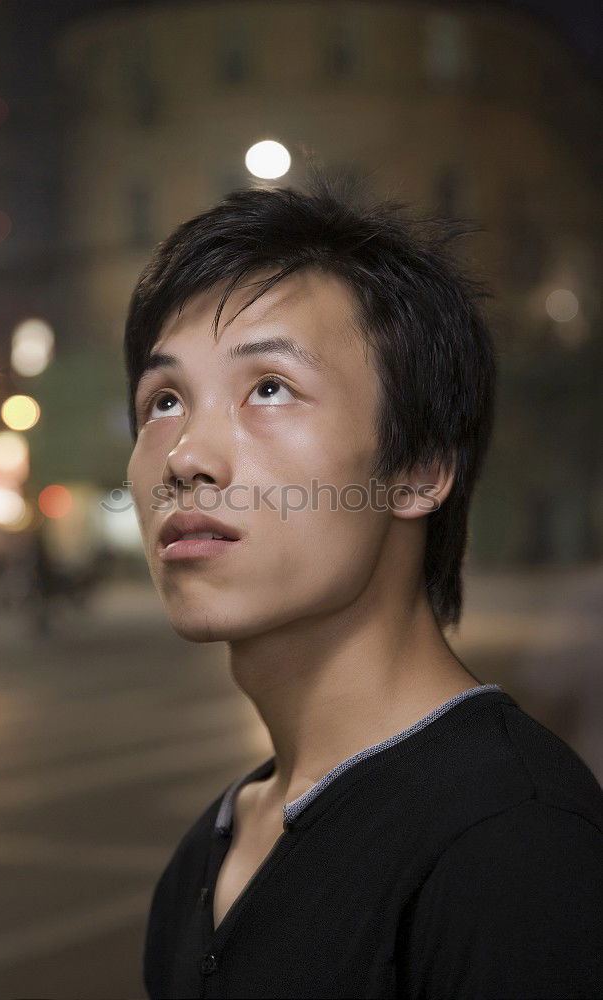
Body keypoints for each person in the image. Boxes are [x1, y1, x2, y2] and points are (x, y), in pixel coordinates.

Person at [123, 171, 603, 999]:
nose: (185, 457)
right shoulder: (211, 851)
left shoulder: (513, 845)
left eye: (268, 387)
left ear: (418, 470)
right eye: (163, 400)